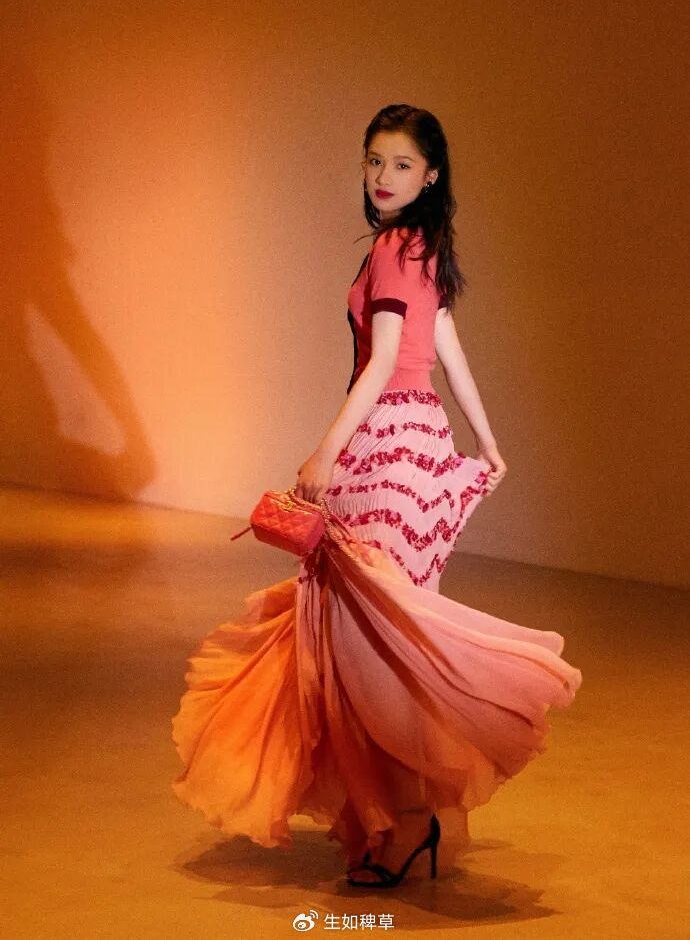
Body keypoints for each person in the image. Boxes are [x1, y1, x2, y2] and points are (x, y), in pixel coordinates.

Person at [170, 104, 582, 888]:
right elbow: (448, 350)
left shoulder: (397, 246)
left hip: (388, 444)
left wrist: (326, 449)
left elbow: (388, 358)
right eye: (373, 161)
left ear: (431, 174)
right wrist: (487, 441)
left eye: (400, 163)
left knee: (374, 642)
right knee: (388, 631)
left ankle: (411, 819)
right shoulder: (423, 245)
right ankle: (403, 816)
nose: (382, 176)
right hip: (418, 439)